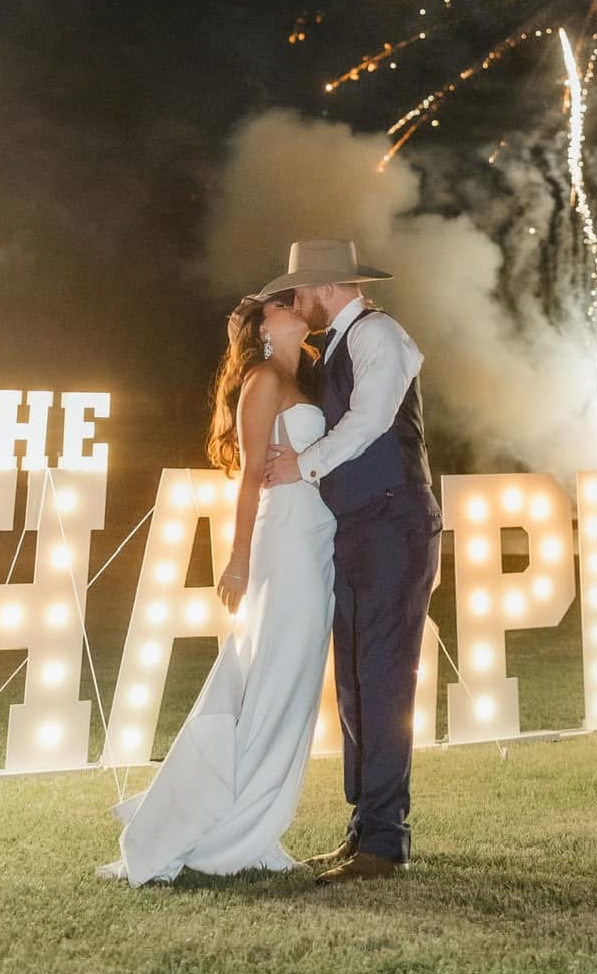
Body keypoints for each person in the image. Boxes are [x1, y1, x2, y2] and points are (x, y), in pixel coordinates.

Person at [97, 293, 334, 884]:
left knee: (289, 685)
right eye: (283, 306)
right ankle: (240, 832)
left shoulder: (296, 375)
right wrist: (237, 560)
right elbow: (251, 475)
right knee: (276, 682)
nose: (296, 306)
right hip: (286, 545)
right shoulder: (262, 379)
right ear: (262, 329)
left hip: (315, 538)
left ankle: (257, 825)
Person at [260, 238, 442, 884]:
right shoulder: (338, 344)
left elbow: (369, 421)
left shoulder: (379, 334)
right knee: (356, 685)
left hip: (394, 523)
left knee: (384, 682)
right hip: (360, 527)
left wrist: (302, 465)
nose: (295, 299)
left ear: (325, 286)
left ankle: (385, 843)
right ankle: (365, 828)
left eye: (300, 289)